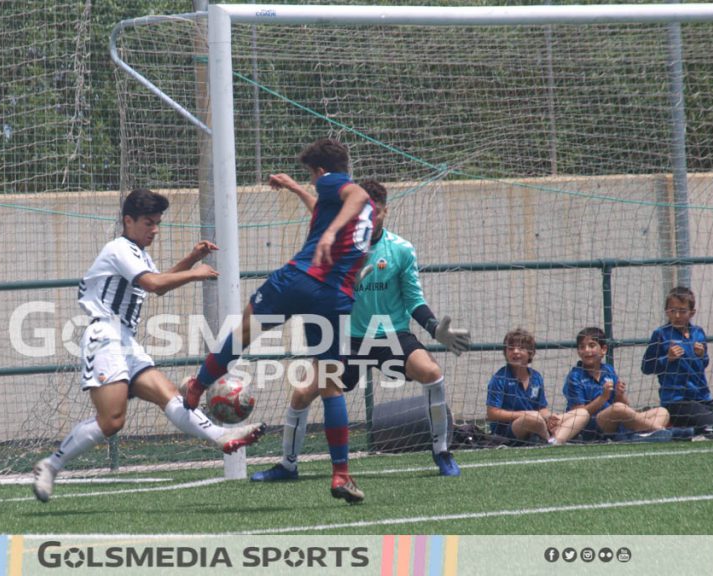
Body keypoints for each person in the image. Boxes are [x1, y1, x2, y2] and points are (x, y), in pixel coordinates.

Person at [32, 189, 265, 503]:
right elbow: (154, 284)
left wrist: (192, 259)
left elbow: (156, 281)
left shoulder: (137, 251)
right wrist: (195, 274)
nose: (154, 229)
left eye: (157, 223)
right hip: (104, 338)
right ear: (128, 221)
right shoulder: (118, 248)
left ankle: (222, 436)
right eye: (148, 223)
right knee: (112, 421)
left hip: (126, 340)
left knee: (170, 396)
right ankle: (51, 465)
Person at [182, 138, 373, 503]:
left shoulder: (336, 182)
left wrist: (329, 233)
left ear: (322, 171)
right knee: (330, 383)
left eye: (310, 177)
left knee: (245, 332)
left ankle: (198, 385)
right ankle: (341, 475)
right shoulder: (352, 209)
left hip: (301, 278)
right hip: (334, 297)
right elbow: (331, 207)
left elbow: (357, 194)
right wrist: (296, 188)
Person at [253, 178, 471, 482]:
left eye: (377, 211)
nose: (372, 217)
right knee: (302, 393)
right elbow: (317, 211)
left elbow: (414, 300)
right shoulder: (342, 246)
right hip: (346, 339)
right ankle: (287, 466)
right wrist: (293, 186)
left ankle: (442, 451)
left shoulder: (401, 250)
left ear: (384, 211)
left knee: (432, 373)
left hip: (391, 335)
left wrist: (435, 330)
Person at [563, 327, 671, 441]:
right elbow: (578, 414)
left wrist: (620, 395)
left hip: (615, 421)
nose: (586, 350)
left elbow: (626, 407)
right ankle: (660, 430)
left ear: (603, 349)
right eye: (582, 347)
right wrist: (602, 398)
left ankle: (638, 437)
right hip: (592, 426)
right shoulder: (575, 376)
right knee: (617, 409)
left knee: (662, 412)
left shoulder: (608, 370)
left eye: (591, 345)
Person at [486, 328, 589, 445]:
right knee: (533, 418)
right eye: (511, 348)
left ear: (531, 353)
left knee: (582, 413)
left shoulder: (536, 377)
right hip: (509, 429)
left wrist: (550, 416)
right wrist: (524, 414)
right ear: (505, 353)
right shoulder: (499, 378)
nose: (515, 351)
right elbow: (492, 414)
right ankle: (547, 439)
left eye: (521, 348)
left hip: (538, 422)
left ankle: (556, 441)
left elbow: (541, 408)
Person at [641, 286, 713, 436]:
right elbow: (646, 367)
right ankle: (683, 433)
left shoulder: (698, 333)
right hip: (677, 401)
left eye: (682, 311)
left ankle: (695, 430)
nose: (676, 315)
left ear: (692, 313)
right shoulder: (661, 334)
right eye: (672, 311)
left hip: (702, 398)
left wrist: (702, 355)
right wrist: (667, 359)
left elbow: (703, 364)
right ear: (666, 311)